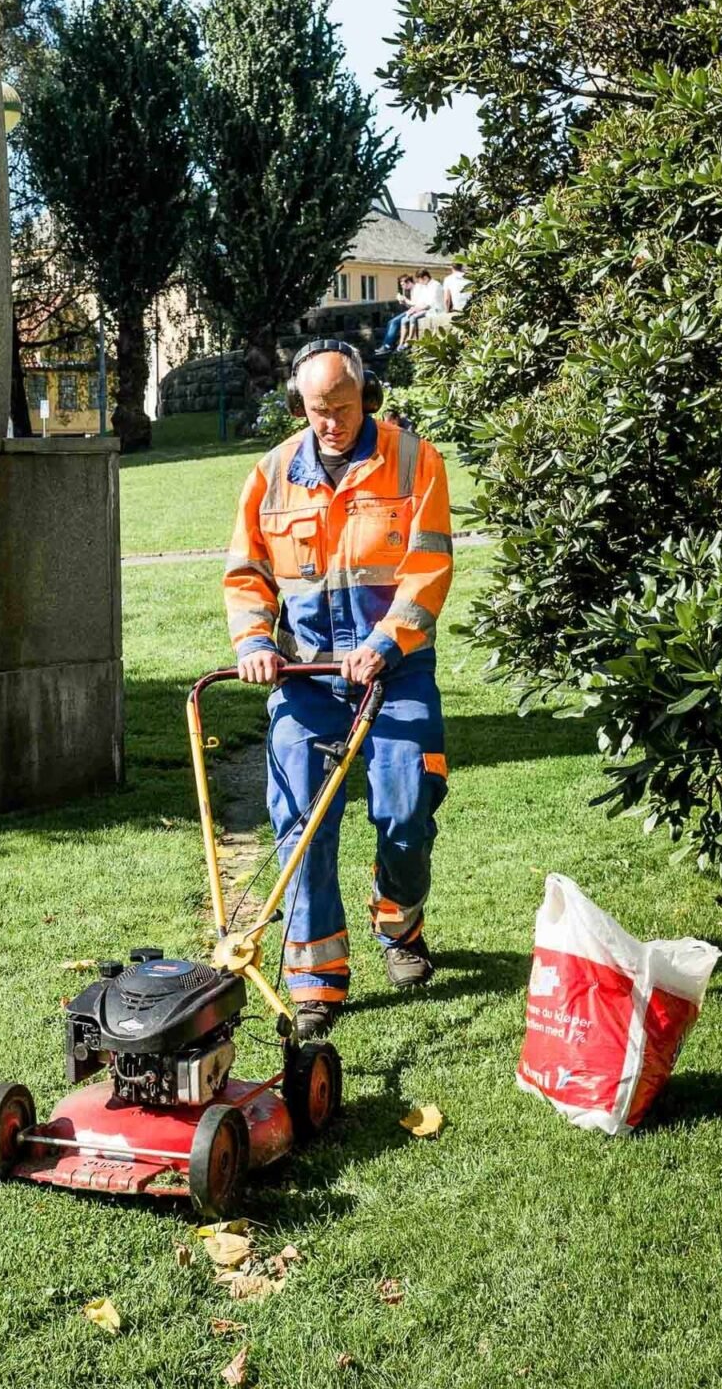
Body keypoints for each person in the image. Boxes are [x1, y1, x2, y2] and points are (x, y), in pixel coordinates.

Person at [223, 339, 454, 1039]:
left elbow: (429, 567)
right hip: (307, 680)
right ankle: (316, 979)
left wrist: (385, 642)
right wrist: (255, 642)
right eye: (317, 410)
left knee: (407, 808)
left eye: (344, 408)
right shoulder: (270, 475)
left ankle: (399, 919)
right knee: (300, 825)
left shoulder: (415, 461)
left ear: (368, 397)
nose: (331, 423)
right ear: (300, 405)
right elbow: (248, 574)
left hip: (397, 670)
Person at [398, 267, 444, 348]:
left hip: (435, 310)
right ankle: (401, 344)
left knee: (413, 317)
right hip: (427, 309)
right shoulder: (426, 286)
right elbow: (422, 302)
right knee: (405, 319)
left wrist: (416, 309)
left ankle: (409, 341)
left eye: (420, 280)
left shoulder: (435, 286)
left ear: (425, 278)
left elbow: (429, 304)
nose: (419, 282)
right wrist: (414, 309)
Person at [375, 274, 417, 355]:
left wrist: (405, 300)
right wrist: (403, 302)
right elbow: (410, 306)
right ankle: (386, 345)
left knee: (394, 322)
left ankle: (387, 346)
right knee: (390, 322)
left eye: (403, 284)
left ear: (408, 282)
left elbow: (416, 304)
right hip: (411, 310)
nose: (402, 287)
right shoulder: (410, 290)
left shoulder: (416, 289)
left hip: (416, 311)